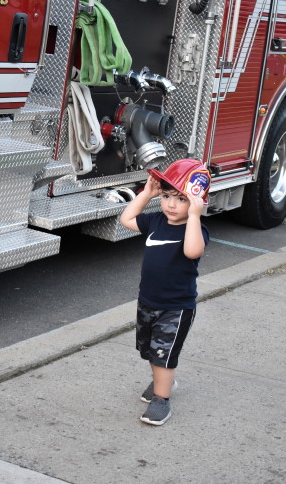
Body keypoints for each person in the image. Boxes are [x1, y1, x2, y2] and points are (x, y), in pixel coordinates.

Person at [119, 158, 210, 426]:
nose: (171, 204)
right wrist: (147, 193)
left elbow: (193, 251)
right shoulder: (157, 221)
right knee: (150, 351)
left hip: (176, 308)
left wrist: (194, 215)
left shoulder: (195, 229)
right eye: (167, 196)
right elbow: (127, 219)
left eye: (181, 199)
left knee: (164, 354)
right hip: (148, 302)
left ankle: (162, 400)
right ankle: (162, 381)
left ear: (196, 202)